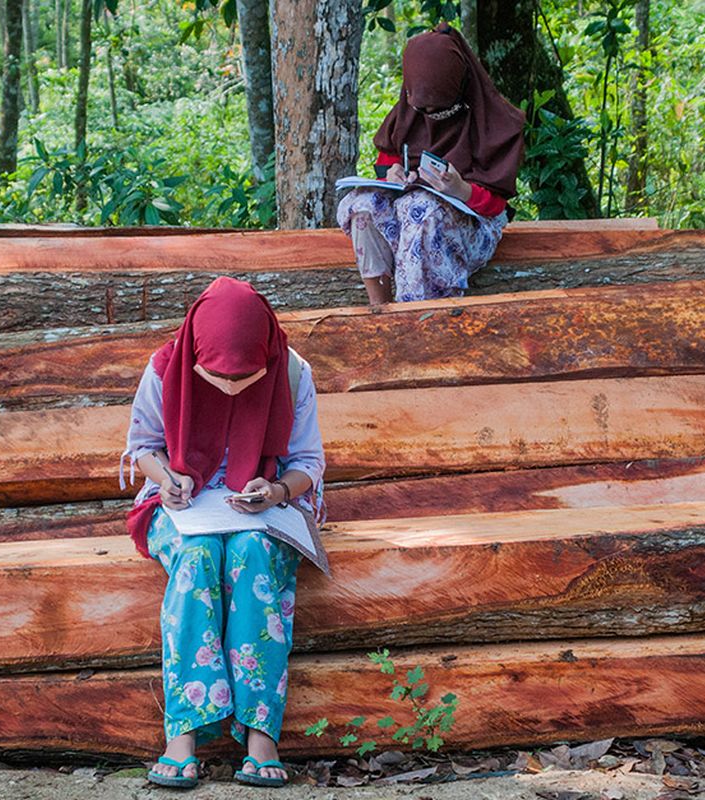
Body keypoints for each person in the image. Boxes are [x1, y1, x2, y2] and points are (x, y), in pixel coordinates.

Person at [121, 277, 327, 789]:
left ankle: (261, 735)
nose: (232, 389)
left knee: (252, 555)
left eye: (245, 378)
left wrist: (277, 490)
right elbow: (144, 445)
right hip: (184, 507)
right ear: (194, 351)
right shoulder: (165, 367)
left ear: (267, 355)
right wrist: (168, 479)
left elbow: (308, 462)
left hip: (265, 507)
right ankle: (183, 734)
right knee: (197, 557)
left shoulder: (294, 373)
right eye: (215, 377)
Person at [337, 23, 525, 305]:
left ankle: (422, 315)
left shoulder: (498, 123)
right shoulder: (409, 111)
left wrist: (461, 190)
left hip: (469, 225)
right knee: (363, 205)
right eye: (422, 110)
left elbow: (496, 205)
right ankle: (379, 310)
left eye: (439, 109)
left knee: (421, 210)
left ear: (460, 90)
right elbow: (388, 157)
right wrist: (393, 173)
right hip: (409, 219)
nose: (429, 116)